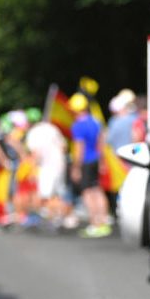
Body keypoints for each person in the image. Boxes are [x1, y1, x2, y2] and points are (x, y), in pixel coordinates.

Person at [69, 93, 109, 238]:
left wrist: (76, 167)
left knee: (87, 193)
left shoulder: (77, 126)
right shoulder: (96, 121)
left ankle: (94, 224)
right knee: (97, 190)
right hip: (96, 159)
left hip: (85, 161)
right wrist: (102, 161)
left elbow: (79, 148)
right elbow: (101, 143)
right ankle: (103, 222)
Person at [25, 108, 69, 229]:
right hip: (60, 165)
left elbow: (35, 153)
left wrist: (32, 170)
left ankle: (53, 219)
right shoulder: (52, 128)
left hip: (47, 166)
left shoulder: (33, 132)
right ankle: (60, 218)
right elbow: (64, 147)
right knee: (57, 194)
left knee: (46, 196)